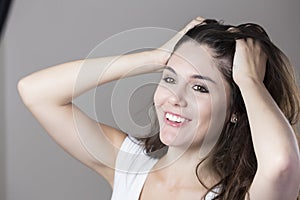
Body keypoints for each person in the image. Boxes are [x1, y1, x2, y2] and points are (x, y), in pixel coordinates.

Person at [18, 17, 300, 200]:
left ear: (235, 110)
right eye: (169, 78)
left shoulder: (242, 196)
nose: (175, 97)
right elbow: (35, 93)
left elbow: (281, 165)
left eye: (199, 87)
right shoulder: (128, 165)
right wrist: (155, 57)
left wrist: (248, 80)